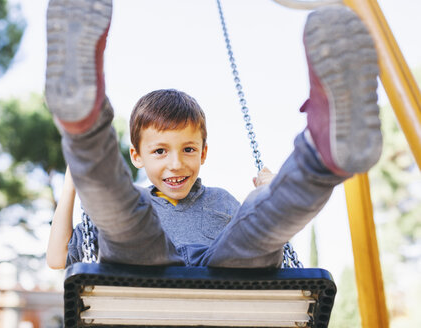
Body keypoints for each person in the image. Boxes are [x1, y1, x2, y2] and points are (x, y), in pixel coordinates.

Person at [45, 0, 382, 269]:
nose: (176, 164)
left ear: (204, 153)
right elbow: (58, 258)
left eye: (188, 149)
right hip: (145, 274)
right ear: (136, 156)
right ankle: (85, 126)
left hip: (222, 280)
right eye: (160, 151)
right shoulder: (138, 203)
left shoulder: (221, 202)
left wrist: (270, 194)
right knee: (123, 219)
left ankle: (323, 152)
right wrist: (72, 182)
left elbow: (257, 239)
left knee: (258, 225)